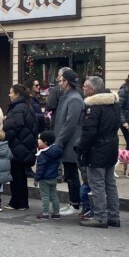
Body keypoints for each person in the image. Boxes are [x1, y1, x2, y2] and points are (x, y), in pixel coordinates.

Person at [76, 76, 122, 229]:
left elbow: (89, 131)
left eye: (85, 87)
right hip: (112, 145)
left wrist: (80, 148)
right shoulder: (115, 104)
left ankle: (101, 216)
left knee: (97, 183)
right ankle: (114, 215)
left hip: (97, 148)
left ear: (93, 89)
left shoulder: (93, 106)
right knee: (110, 183)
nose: (83, 89)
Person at [51, 68, 84, 216]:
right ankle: (73, 202)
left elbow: (70, 124)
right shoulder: (68, 97)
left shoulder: (75, 98)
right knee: (69, 174)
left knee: (72, 174)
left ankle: (76, 204)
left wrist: (59, 141)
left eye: (61, 80)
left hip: (71, 142)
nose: (59, 82)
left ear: (67, 82)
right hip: (66, 141)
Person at [3, 83, 38, 211]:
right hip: (25, 145)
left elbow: (14, 128)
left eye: (11, 92)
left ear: (17, 94)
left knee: (16, 175)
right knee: (21, 175)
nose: (9, 95)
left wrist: (4, 135)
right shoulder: (27, 107)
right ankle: (22, 202)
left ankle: (17, 202)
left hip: (18, 146)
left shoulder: (17, 108)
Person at [34, 130, 64, 220]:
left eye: (40, 140)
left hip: (44, 179)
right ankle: (56, 213)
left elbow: (40, 169)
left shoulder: (44, 155)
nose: (38, 141)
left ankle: (45, 213)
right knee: (54, 195)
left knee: (45, 196)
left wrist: (36, 178)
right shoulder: (55, 151)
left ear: (45, 142)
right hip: (53, 178)